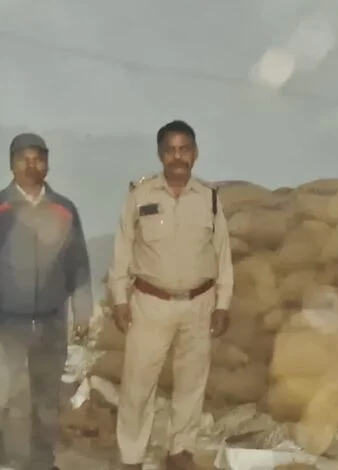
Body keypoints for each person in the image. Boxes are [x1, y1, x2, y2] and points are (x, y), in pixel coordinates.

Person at [108, 120, 233, 470]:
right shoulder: (140, 195)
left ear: (195, 153)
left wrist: (223, 304)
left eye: (184, 149)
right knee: (137, 383)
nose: (178, 157)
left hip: (199, 304)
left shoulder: (209, 198)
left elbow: (223, 254)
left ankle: (180, 451)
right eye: (171, 150)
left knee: (191, 383)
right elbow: (122, 248)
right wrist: (119, 299)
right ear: (161, 154)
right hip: (150, 303)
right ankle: (131, 456)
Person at [0, 133, 93, 470]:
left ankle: (42, 461)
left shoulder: (64, 210)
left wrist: (82, 313)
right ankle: (12, 461)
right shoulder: (2, 209)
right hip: (7, 324)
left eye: (38, 158)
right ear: (11, 164)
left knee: (47, 401)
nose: (31, 165)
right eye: (23, 159)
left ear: (47, 164)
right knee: (12, 400)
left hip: (52, 323)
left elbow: (78, 265)